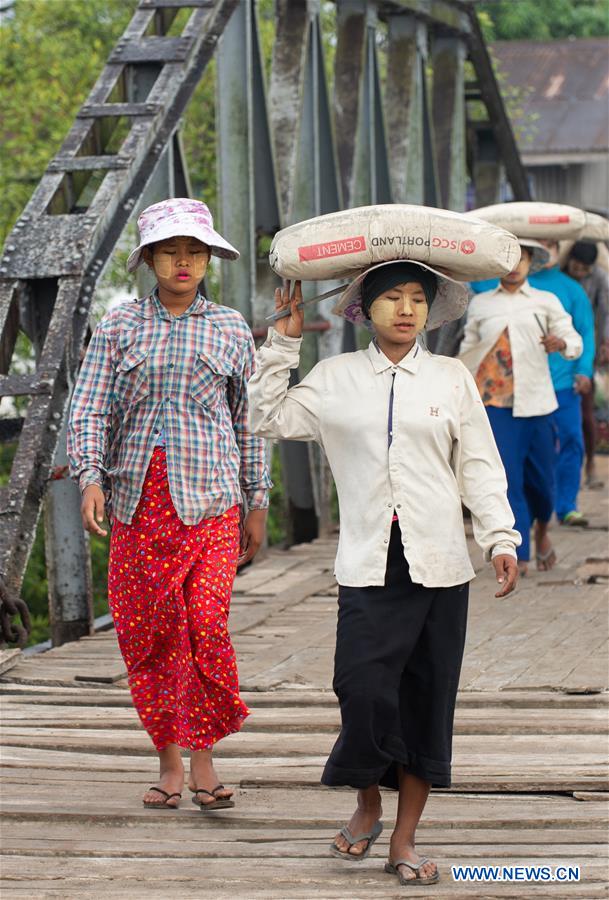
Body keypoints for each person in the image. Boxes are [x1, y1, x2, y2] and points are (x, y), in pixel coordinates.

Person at [248, 261, 520, 887]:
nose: (405, 309)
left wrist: (500, 537)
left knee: (427, 700)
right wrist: (284, 344)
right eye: (391, 298)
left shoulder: (451, 378)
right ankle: (368, 801)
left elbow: (479, 463)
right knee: (362, 690)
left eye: (417, 300)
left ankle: (403, 838)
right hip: (369, 563)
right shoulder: (335, 378)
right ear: (363, 310)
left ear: (429, 312)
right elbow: (266, 419)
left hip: (440, 565)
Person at [68, 198, 271, 811]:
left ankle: (205, 758)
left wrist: (257, 500)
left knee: (204, 624)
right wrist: (89, 477)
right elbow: (88, 407)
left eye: (195, 252)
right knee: (151, 632)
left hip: (212, 499)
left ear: (209, 258)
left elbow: (252, 420)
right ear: (150, 259)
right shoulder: (119, 326)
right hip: (137, 502)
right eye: (170, 252)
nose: (183, 263)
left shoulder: (231, 327)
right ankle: (169, 761)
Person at [460, 241, 583, 575]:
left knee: (543, 484)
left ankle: (542, 531)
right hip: (495, 406)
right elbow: (469, 348)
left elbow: (572, 338)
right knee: (507, 479)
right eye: (509, 260)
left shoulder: (546, 301)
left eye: (522, 259)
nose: (515, 266)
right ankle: (521, 554)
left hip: (539, 403)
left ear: (532, 264)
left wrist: (561, 344)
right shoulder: (482, 304)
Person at [564, 241, 609, 489]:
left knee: (586, 411)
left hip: (586, 347)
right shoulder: (559, 274)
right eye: (576, 267)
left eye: (584, 269)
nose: (579, 272)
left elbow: (606, 311)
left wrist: (604, 343)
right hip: (558, 348)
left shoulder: (599, 277)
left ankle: (590, 463)